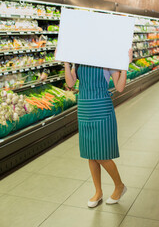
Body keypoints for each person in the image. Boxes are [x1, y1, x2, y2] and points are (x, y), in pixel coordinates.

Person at [53, 48, 133, 208]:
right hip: (84, 110)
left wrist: (125, 65)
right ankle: (98, 192)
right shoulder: (79, 60)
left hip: (102, 109)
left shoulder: (108, 60)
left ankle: (119, 186)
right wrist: (66, 62)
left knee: (102, 155)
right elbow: (70, 83)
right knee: (90, 154)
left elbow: (119, 87)